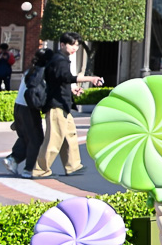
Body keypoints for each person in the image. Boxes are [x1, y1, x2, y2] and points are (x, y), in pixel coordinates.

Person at [31, 32, 100, 179]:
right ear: (62, 44)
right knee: (54, 139)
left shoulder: (59, 59)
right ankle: (40, 169)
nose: (75, 47)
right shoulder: (59, 60)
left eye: (76, 45)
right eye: (72, 44)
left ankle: (73, 166)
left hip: (63, 104)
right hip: (56, 105)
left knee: (70, 135)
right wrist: (91, 78)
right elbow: (66, 77)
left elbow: (59, 81)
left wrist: (73, 89)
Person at [6, 42, 51, 174]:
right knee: (36, 139)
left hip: (19, 106)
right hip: (29, 108)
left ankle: (13, 159)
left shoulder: (29, 70)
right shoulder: (41, 71)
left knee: (26, 137)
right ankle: (28, 169)